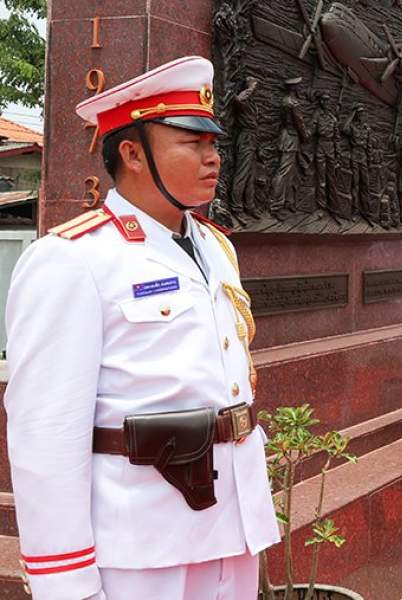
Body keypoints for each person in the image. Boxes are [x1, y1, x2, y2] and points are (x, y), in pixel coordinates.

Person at [3, 56, 279, 600]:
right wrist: (67, 583)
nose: (213, 157)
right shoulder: (74, 259)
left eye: (213, 143)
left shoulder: (214, 247)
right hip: (140, 543)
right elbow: (46, 433)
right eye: (191, 143)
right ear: (131, 153)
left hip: (230, 526)